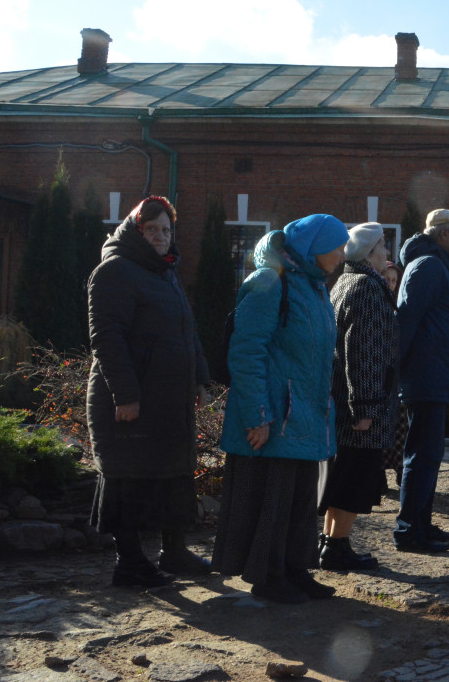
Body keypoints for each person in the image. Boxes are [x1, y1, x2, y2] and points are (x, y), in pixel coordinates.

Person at [212, 214, 349, 603]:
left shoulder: (314, 287)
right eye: (337, 246)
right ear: (314, 247)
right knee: (275, 500)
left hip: (304, 417)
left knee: (300, 500)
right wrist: (257, 416)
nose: (342, 255)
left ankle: (295, 570)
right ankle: (268, 577)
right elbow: (246, 350)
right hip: (274, 419)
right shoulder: (271, 282)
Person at [86, 195, 210, 588]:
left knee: (172, 473)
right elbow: (106, 339)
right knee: (127, 478)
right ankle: (130, 563)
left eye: (166, 230)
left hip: (168, 399)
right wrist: (125, 395)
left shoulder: (165, 273)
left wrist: (200, 379)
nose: (160, 236)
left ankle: (173, 551)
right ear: (135, 231)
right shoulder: (114, 271)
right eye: (151, 229)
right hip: (129, 400)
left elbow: (187, 330)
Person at [319, 223, 398, 572]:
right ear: (368, 253)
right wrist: (364, 407)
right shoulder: (367, 287)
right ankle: (336, 547)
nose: (387, 253)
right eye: (382, 247)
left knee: (342, 476)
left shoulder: (345, 281)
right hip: (360, 406)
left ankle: (329, 542)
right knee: (353, 478)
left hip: (343, 400)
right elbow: (363, 351)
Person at [393, 209, 449, 553]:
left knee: (430, 455)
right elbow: (406, 321)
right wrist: (393, 371)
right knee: (421, 456)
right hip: (425, 378)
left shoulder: (436, 265)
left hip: (434, 377)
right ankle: (408, 530)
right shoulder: (427, 266)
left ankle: (422, 524)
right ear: (443, 234)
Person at [379, 260, 407, 490]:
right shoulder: (373, 303)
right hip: (378, 376)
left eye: (394, 280)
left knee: (400, 428)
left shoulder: (400, 307)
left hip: (397, 377)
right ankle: (377, 477)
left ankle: (401, 473)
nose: (390, 284)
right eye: (386, 279)